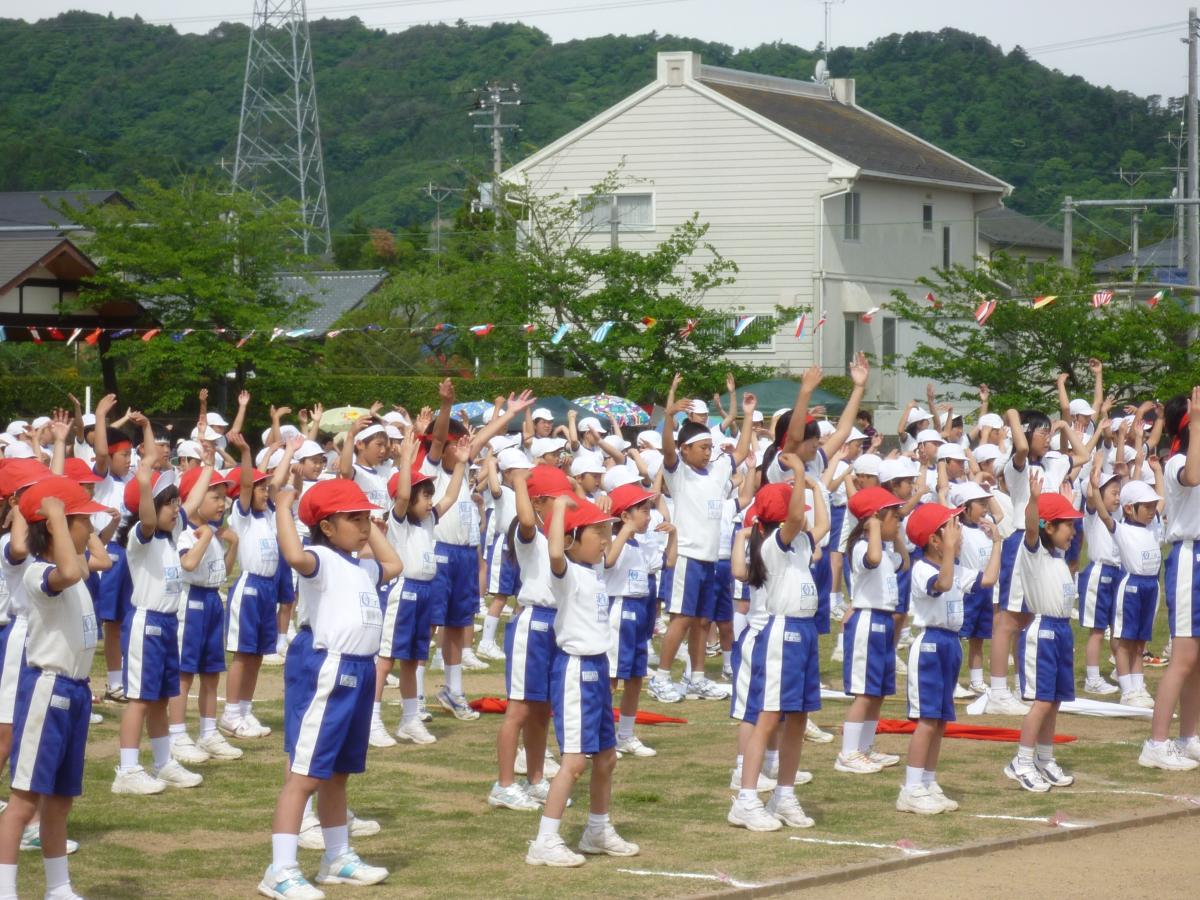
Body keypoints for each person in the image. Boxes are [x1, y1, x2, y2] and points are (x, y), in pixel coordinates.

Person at [259, 478, 401, 899]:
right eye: (352, 519)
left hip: (358, 671)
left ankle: (336, 856)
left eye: (366, 519)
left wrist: (365, 522)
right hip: (327, 667)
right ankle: (280, 869)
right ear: (325, 526)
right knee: (306, 774)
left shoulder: (361, 566)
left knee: (338, 773)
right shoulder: (320, 557)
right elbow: (293, 554)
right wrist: (285, 507)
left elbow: (393, 565)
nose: (363, 526)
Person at [0, 477, 107, 900]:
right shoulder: (38, 574)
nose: (88, 530)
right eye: (84, 522)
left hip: (75, 692)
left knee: (61, 799)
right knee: (24, 799)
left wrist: (70, 521)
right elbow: (65, 568)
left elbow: (83, 562)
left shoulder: (75, 568)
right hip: (47, 689)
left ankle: (58, 886)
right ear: (58, 527)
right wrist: (59, 517)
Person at [525, 495, 638, 868]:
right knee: (574, 761)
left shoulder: (594, 572)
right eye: (599, 532)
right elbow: (556, 553)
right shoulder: (568, 572)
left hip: (596, 669)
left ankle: (597, 829)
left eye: (608, 531)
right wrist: (559, 511)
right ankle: (545, 840)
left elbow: (599, 551)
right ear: (574, 538)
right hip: (574, 670)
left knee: (606, 757)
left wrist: (595, 510)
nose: (606, 539)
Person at [112, 414, 206, 795]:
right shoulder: (143, 536)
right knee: (139, 698)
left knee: (161, 697)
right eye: (169, 505)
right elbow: (149, 516)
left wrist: (208, 467)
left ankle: (164, 761)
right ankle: (127, 770)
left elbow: (193, 500)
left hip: (167, 624)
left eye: (175, 504)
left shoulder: (172, 535)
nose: (175, 509)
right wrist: (146, 479)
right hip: (146, 624)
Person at [727, 474, 826, 832]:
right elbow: (798, 519)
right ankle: (747, 799)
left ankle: (784, 794)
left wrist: (814, 487)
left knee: (797, 718)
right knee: (767, 718)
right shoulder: (774, 543)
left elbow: (821, 524)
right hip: (781, 632)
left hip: (804, 632)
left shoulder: (798, 542)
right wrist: (800, 474)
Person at [647, 376, 755, 703]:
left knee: (701, 621)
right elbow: (667, 449)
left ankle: (696, 678)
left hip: (710, 560)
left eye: (710, 447)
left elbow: (738, 451)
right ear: (685, 449)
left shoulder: (719, 471)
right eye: (702, 447)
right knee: (680, 619)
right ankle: (662, 677)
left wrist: (747, 415)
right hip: (686, 558)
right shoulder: (678, 472)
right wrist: (668, 417)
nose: (708, 453)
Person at [899, 502, 1000, 814]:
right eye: (952, 529)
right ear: (934, 539)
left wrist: (998, 542)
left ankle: (928, 781)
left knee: (941, 720)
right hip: (930, 645)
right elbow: (941, 585)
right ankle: (912, 787)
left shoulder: (952, 568)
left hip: (950, 644)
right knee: (927, 720)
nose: (959, 535)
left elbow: (988, 580)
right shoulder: (923, 569)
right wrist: (950, 553)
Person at [371, 429, 469, 748]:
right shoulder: (398, 520)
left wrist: (463, 465)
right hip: (403, 592)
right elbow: (401, 497)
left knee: (413, 658)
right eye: (424, 496)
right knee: (387, 659)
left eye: (429, 496)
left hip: (425, 593)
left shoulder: (427, 521)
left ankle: (410, 720)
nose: (430, 501)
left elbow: (451, 498)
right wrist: (405, 462)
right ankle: (371, 720)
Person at [489, 464, 572, 812]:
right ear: (539, 503)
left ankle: (535, 778)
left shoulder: (559, 538)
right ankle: (504, 784)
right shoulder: (530, 536)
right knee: (519, 709)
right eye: (557, 500)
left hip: (555, 623)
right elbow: (524, 520)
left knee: (542, 710)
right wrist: (520, 482)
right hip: (532, 624)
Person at [1005, 472, 1080, 792]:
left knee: (1056, 700)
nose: (1074, 533)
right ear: (1050, 527)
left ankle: (1044, 758)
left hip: (1062, 631)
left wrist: (1069, 503)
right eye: (1068, 526)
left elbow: (1058, 534)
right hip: (1043, 632)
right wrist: (1035, 501)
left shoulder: (1058, 555)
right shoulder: (1033, 552)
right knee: (1041, 701)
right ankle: (1021, 761)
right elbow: (1033, 528)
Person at [1139, 387, 1200, 770]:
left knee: (1198, 659)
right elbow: (1192, 476)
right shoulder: (1178, 459)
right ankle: (1156, 743)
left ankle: (1189, 736)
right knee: (1183, 657)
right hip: (1188, 557)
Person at [167, 459, 243, 765]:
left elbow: (220, 573)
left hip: (212, 600)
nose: (222, 504)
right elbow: (188, 564)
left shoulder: (212, 532)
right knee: (185, 673)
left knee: (211, 672)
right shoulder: (185, 532)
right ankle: (177, 734)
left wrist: (232, 546)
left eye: (224, 498)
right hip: (191, 603)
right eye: (215, 497)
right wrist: (209, 537)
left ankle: (209, 732)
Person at [605, 480, 675, 760]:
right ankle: (603, 734)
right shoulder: (611, 540)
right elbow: (609, 561)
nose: (649, 516)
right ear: (625, 516)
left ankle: (626, 733)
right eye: (643, 510)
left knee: (635, 677)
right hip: (618, 611)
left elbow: (669, 562)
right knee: (611, 676)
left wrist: (673, 536)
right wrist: (625, 530)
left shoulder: (643, 545)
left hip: (641, 611)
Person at [838, 486, 905, 775]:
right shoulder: (863, 547)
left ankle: (865, 748)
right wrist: (875, 527)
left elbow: (905, 561)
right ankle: (848, 752)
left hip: (883, 622)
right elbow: (873, 559)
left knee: (877, 692)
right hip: (867, 621)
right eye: (895, 516)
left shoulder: (886, 550)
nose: (899, 521)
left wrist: (896, 535)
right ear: (875, 519)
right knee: (864, 693)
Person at [219, 430, 279, 739]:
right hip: (250, 587)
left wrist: (287, 453)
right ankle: (230, 713)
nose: (265, 493)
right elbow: (243, 485)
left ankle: (244, 708)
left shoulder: (267, 514)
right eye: (261, 489)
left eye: (266, 488)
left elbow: (278, 483)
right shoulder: (241, 515)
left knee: (257, 654)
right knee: (243, 653)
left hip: (268, 589)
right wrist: (245, 452)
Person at [950, 482, 1003, 698]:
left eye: (985, 502)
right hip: (966, 589)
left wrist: (987, 492)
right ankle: (951, 681)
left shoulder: (988, 525)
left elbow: (999, 513)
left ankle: (976, 681)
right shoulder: (957, 528)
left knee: (978, 638)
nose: (985, 508)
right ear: (965, 507)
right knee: (958, 637)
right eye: (980, 504)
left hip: (986, 589)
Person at [1078, 461, 1123, 697]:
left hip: (1116, 573)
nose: (1117, 498)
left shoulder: (1118, 516)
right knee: (1097, 630)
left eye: (1119, 493)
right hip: (1099, 572)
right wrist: (1095, 470)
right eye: (1113, 493)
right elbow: (1090, 496)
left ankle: (1120, 670)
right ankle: (1093, 678)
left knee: (1117, 627)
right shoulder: (1093, 514)